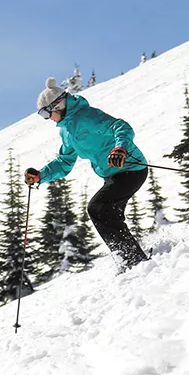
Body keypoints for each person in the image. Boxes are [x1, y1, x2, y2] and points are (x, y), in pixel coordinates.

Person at [25, 77, 150, 269]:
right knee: (107, 213)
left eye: (46, 113)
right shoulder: (66, 131)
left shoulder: (87, 117)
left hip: (131, 168)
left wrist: (120, 149)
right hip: (113, 175)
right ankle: (134, 258)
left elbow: (121, 127)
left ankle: (133, 259)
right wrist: (41, 175)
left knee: (98, 207)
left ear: (58, 105)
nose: (48, 118)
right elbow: (64, 162)